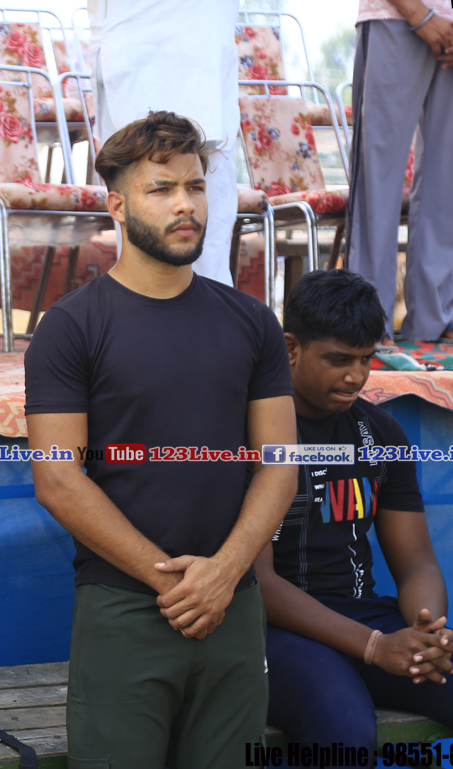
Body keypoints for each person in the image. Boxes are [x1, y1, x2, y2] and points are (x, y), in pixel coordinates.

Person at [24, 110, 299, 768]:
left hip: (233, 605)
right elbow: (57, 478)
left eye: (196, 186)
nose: (186, 205)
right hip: (125, 606)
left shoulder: (251, 322)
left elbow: (280, 465)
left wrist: (224, 573)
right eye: (162, 189)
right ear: (118, 206)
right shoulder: (71, 328)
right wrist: (174, 582)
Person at [257, 268, 453, 753]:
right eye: (338, 360)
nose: (356, 376)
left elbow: (417, 562)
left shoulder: (380, 433)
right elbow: (257, 584)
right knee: (344, 732)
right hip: (275, 631)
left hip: (367, 618)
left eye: (366, 359)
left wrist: (427, 632)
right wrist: (375, 647)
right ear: (291, 348)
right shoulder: (250, 430)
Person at [88, 0, 270, 286]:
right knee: (145, 241)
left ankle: (208, 319)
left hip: (207, 70)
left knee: (210, 246)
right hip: (141, 65)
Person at [345, 0, 453, 347]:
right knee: (378, 178)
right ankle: (367, 321)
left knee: (450, 177)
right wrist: (420, 14)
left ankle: (434, 318)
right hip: (394, 11)